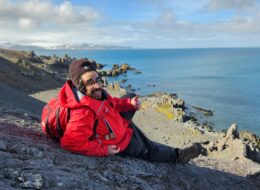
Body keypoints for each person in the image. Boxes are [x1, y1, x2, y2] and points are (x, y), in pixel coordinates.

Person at [58, 59, 202, 163]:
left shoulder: (97, 95)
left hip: (111, 123)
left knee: (131, 96)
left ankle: (129, 124)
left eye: (97, 79)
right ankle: (178, 156)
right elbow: (70, 143)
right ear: (79, 86)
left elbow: (112, 102)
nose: (97, 85)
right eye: (90, 82)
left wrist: (129, 103)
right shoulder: (83, 113)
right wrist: (104, 150)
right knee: (148, 148)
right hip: (117, 140)